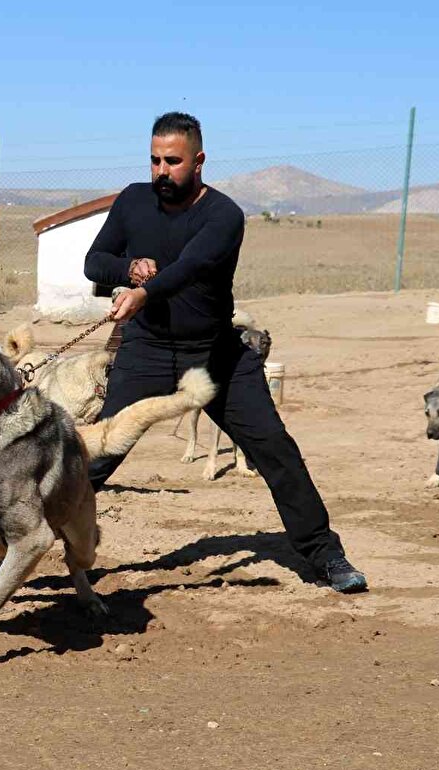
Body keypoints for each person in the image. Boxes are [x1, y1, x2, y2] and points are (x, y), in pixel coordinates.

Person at [83, 112, 367, 593]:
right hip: (146, 351)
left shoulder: (224, 215)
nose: (161, 171)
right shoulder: (132, 200)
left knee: (275, 449)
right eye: (154, 160)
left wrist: (147, 292)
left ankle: (325, 554)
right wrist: (129, 268)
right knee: (99, 455)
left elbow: (192, 266)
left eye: (172, 161)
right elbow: (95, 262)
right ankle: (26, 536)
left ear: (198, 161)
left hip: (215, 356)